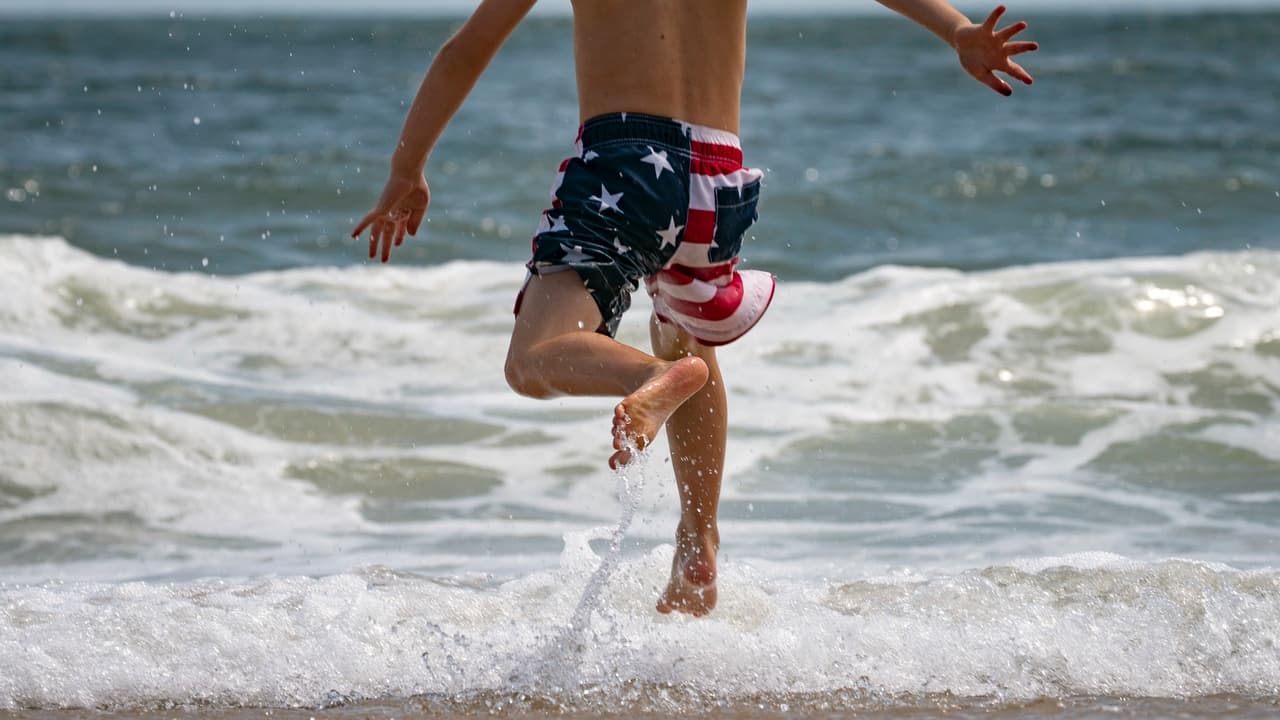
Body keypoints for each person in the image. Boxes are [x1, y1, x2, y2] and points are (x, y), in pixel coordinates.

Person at [351, 0, 1037, 617]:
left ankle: (648, 381)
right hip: (718, 175)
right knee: (682, 332)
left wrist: (406, 168)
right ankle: (697, 538)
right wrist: (957, 29)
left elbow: (468, 47)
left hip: (626, 162)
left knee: (533, 359)